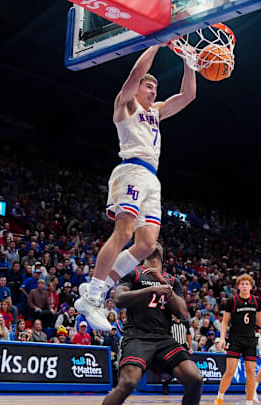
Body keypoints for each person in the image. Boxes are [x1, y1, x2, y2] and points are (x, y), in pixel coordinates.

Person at [75, 42, 197, 331]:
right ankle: (93, 295)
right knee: (123, 233)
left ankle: (99, 289)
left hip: (152, 177)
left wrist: (189, 62)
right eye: (148, 87)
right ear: (137, 89)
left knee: (145, 245)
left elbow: (189, 95)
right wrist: (157, 42)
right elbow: (135, 73)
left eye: (155, 88)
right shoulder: (125, 104)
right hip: (131, 169)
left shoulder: (155, 112)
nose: (153, 91)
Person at [102, 243, 202, 405]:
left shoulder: (171, 280)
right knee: (127, 383)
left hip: (164, 338)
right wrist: (151, 290)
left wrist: (164, 284)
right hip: (137, 336)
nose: (154, 242)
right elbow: (119, 300)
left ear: (163, 256)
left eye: (158, 241)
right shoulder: (133, 273)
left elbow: (183, 313)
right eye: (152, 240)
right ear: (144, 251)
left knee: (195, 379)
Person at [215, 274, 261, 405]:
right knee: (230, 371)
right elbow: (224, 322)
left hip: (250, 340)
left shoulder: (256, 301)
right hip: (235, 339)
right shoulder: (232, 301)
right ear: (238, 286)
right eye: (242, 284)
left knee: (251, 372)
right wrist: (222, 338)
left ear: (251, 287)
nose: (245, 286)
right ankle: (219, 398)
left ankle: (249, 402)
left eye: (247, 284)